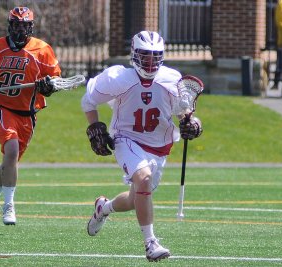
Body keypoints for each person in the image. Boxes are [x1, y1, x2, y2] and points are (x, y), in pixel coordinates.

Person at [81, 31, 202, 262]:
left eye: (155, 57)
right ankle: (150, 243)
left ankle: (103, 208)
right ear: (134, 55)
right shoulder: (118, 78)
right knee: (143, 178)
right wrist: (95, 125)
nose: (150, 62)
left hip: (159, 146)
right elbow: (88, 100)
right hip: (127, 139)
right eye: (145, 56)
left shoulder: (171, 79)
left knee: (133, 199)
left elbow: (185, 112)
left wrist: (193, 124)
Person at [0, 7, 61, 226]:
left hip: (27, 112)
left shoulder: (42, 50)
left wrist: (47, 86)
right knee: (12, 149)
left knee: (10, 159)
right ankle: (9, 205)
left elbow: (54, 81)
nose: (20, 29)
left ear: (31, 27)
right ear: (10, 25)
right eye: (16, 25)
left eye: (24, 25)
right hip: (1, 106)